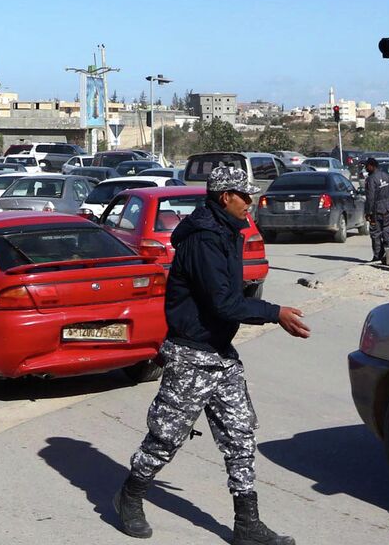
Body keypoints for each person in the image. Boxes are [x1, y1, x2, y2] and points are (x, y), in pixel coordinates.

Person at [116, 165, 311, 544]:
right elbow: (224, 303)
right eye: (245, 197)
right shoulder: (204, 239)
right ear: (226, 197)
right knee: (167, 436)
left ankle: (247, 525)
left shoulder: (227, 230)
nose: (250, 203)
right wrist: (276, 313)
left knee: (240, 434)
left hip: (220, 353)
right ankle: (129, 495)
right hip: (191, 355)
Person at [363, 157, 389, 263]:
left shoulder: (371, 179)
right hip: (387, 209)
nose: (365, 168)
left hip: (377, 210)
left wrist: (368, 213)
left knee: (375, 233)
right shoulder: (386, 176)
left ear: (372, 166)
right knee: (386, 231)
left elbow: (370, 198)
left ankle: (378, 256)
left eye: (366, 166)